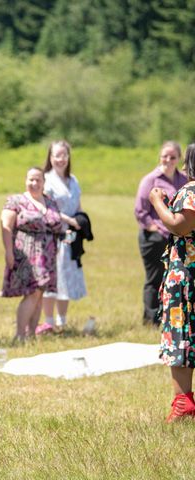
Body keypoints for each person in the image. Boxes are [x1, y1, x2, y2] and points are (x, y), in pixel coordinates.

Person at [148, 143, 195, 422]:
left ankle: (183, 403)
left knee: (182, 335)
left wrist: (157, 202)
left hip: (187, 276)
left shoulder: (191, 191)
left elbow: (180, 225)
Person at [0, 167, 62, 342]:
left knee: (40, 293)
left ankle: (31, 334)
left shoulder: (50, 202)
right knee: (32, 292)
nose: (34, 183)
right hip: (26, 254)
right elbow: (6, 226)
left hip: (48, 256)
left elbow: (58, 224)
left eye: (38, 180)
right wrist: (8, 251)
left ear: (44, 182)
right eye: (31, 180)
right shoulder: (15, 201)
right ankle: (20, 335)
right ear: (25, 180)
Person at [135, 141, 187, 325]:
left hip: (177, 238)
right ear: (160, 156)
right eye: (165, 156)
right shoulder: (150, 180)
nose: (168, 160)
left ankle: (169, 317)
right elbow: (140, 210)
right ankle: (150, 319)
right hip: (154, 237)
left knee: (173, 279)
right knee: (154, 277)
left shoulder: (184, 179)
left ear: (179, 159)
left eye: (173, 157)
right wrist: (155, 228)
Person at [39, 140, 87, 333]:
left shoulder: (73, 180)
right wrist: (69, 220)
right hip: (52, 233)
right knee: (52, 277)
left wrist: (81, 221)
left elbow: (78, 206)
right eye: (56, 155)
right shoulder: (47, 180)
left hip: (70, 235)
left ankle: (62, 320)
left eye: (63, 155)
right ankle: (49, 321)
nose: (60, 159)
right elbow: (46, 208)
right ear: (50, 158)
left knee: (66, 276)